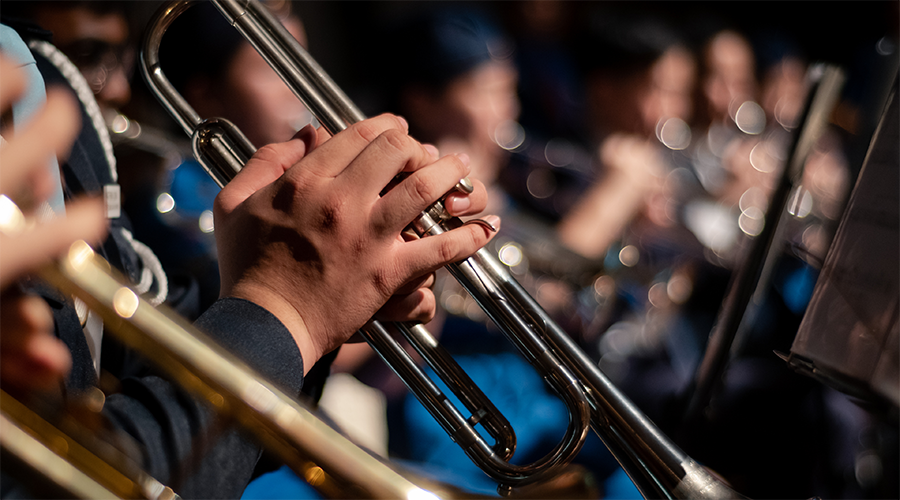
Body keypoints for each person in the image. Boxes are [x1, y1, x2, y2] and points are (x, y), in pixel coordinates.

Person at [0, 10, 499, 500]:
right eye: (270, 65)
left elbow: (140, 350)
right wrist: (283, 306)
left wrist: (341, 286)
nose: (117, 88)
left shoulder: (35, 65)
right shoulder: (160, 180)